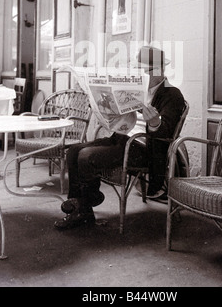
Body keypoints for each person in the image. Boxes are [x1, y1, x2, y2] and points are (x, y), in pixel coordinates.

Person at [54, 46, 186, 230]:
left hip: (144, 148)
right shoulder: (135, 88)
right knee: (74, 150)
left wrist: (155, 122)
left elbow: (167, 134)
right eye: (136, 70)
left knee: (86, 156)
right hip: (122, 138)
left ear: (158, 70)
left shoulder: (172, 95)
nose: (138, 74)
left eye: (143, 70)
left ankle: (84, 208)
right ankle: (84, 201)